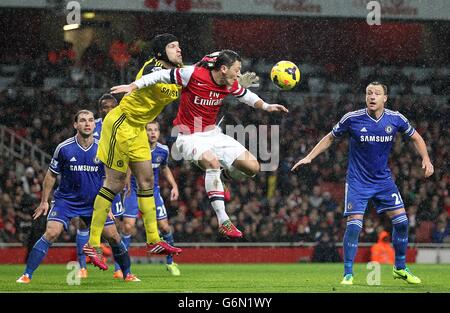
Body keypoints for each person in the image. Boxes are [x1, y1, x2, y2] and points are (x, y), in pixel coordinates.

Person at [111, 49, 288, 239]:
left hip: (213, 133)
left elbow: (245, 95)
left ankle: (223, 177)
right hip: (188, 136)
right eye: (237, 70)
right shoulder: (193, 74)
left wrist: (268, 106)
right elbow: (162, 75)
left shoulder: (229, 83)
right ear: (223, 68)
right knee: (212, 164)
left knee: (253, 167)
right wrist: (134, 85)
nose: (239, 74)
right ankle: (224, 221)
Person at [292, 82, 434, 285]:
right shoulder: (352, 118)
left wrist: (426, 159)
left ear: (385, 98)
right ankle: (348, 274)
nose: (372, 97)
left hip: (383, 181)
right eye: (369, 93)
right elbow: (330, 138)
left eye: (377, 93)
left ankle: (400, 268)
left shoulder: (396, 119)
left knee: (402, 222)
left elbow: (417, 137)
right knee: (354, 226)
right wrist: (310, 157)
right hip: (358, 181)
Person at [83, 34, 184, 270]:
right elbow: (164, 88)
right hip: (121, 123)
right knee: (114, 184)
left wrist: (228, 79)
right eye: (172, 46)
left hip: (138, 128)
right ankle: (92, 244)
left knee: (147, 180)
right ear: (160, 51)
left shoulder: (176, 72)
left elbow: (197, 75)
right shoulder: (153, 67)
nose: (179, 50)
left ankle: (153, 239)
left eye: (179, 46)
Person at [16, 110, 139, 283]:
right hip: (65, 201)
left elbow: (109, 178)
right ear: (75, 125)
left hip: (94, 202)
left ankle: (128, 274)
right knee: (51, 232)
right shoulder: (64, 148)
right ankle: (26, 275)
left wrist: (107, 204)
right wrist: (44, 201)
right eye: (82, 120)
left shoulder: (103, 147)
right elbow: (51, 175)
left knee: (113, 236)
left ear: (95, 125)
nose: (87, 123)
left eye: (90, 120)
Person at [113, 121, 181, 278]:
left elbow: (164, 167)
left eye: (155, 130)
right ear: (143, 132)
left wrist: (174, 185)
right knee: (128, 227)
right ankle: (119, 268)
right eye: (149, 130)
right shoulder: (136, 147)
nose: (152, 133)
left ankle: (170, 263)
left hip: (153, 193)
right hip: (133, 192)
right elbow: (129, 165)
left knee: (164, 227)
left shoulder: (163, 150)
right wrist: (126, 183)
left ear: (158, 132)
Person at [75, 94, 124, 279]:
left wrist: (125, 179)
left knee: (114, 228)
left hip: (113, 182)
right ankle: (82, 267)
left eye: (112, 107)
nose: (108, 110)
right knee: (82, 223)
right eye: (104, 107)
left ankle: (118, 269)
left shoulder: (123, 126)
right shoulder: (91, 126)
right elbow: (78, 151)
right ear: (100, 109)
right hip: (90, 182)